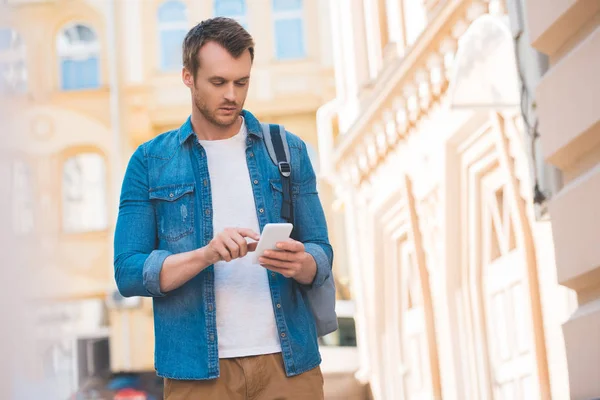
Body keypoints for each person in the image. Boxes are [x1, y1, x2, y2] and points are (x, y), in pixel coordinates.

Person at [113, 17, 333, 400]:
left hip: (289, 364)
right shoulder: (150, 162)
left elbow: (321, 250)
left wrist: (305, 263)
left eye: (241, 82)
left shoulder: (287, 150)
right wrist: (206, 255)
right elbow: (128, 271)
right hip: (197, 374)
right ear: (188, 77)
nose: (232, 94)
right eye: (218, 82)